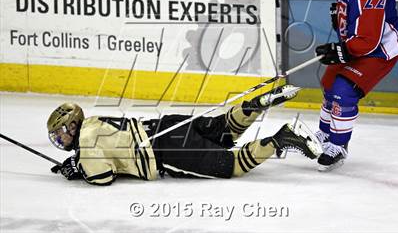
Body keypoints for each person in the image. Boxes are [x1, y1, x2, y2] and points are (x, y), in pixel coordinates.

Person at [48, 85, 323, 185]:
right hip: (165, 125)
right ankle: (254, 106)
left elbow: (102, 178)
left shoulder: (86, 148)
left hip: (167, 151)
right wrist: (78, 161)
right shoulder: (94, 121)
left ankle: (281, 137)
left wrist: (77, 169)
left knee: (232, 165)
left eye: (60, 134)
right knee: (224, 130)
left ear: (72, 126)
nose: (60, 140)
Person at [314, 0, 398, 171]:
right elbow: (349, 9)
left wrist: (342, 50)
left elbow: (370, 40)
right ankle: (324, 134)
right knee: (329, 81)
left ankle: (338, 146)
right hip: (360, 43)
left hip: (381, 49)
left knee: (344, 91)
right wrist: (340, 16)